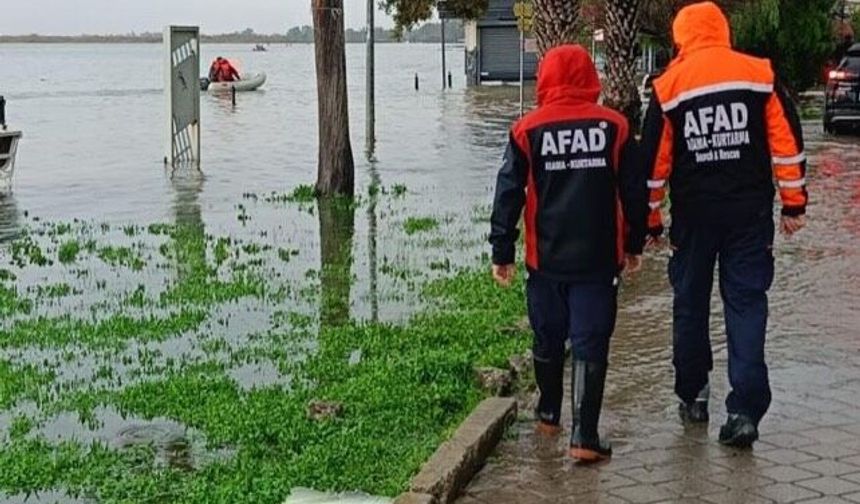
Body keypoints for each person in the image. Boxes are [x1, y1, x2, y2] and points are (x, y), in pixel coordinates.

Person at [640, 1, 808, 448]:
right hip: (750, 216)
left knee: (690, 305)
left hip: (693, 217)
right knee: (747, 305)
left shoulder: (668, 86)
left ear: (681, 38)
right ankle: (745, 410)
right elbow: (786, 142)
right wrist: (794, 204)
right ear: (723, 31)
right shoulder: (759, 75)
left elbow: (653, 165)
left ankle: (693, 395)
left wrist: (650, 220)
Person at [490, 45, 648, 463]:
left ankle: (547, 415)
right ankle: (585, 435)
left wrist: (501, 250)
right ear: (590, 78)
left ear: (545, 79)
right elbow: (634, 192)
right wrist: (635, 244)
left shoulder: (526, 130)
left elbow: (507, 193)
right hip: (598, 261)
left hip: (545, 260)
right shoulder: (615, 127)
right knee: (590, 341)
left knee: (547, 336)